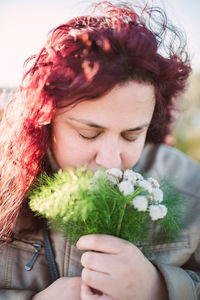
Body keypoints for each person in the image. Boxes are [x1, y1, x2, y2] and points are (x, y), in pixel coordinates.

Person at [0, 1, 199, 299]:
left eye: (132, 135)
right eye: (88, 133)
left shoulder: (189, 184)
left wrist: (160, 288)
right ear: (45, 120)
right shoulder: (6, 182)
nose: (110, 160)